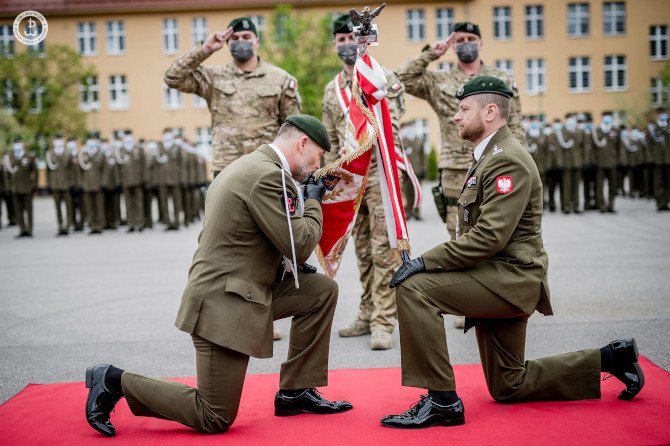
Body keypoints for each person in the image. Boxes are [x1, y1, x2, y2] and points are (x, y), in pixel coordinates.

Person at [379, 76, 645, 429]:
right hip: (495, 275)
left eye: (463, 109)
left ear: (490, 112)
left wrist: (426, 261)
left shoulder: (507, 161)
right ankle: (611, 358)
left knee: (414, 288)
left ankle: (441, 400)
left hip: (509, 278)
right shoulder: (490, 155)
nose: (456, 117)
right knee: (510, 385)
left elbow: (489, 237)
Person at [84, 115, 352, 437]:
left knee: (320, 290)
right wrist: (313, 201)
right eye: (319, 155)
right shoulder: (268, 177)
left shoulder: (250, 165)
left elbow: (247, 238)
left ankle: (296, 392)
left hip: (243, 288)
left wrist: (287, 261)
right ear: (302, 143)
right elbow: (301, 244)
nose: (317, 164)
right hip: (223, 303)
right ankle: (113, 379)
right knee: (214, 416)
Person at [165, 16, 300, 340]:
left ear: (257, 41)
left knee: (271, 243)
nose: (240, 41)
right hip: (226, 172)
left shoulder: (281, 79)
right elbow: (173, 77)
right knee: (219, 240)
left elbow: (293, 130)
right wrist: (205, 48)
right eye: (234, 36)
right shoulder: (213, 77)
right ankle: (211, 311)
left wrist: (294, 176)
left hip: (267, 173)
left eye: (245, 36)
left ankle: (265, 314)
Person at [398, 21, 524, 330]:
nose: (465, 44)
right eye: (460, 40)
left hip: (495, 162)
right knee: (460, 232)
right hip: (456, 167)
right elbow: (400, 80)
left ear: (481, 43)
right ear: (453, 45)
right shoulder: (439, 79)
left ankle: (493, 295)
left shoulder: (501, 77)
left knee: (495, 231)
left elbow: (516, 122)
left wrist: (518, 159)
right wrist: (431, 53)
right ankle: (470, 299)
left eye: (471, 39)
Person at [321, 14, 406, 350]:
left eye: (350, 38)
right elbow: (328, 137)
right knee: (362, 250)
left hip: (380, 173)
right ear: (334, 45)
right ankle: (368, 310)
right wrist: (329, 178)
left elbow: (393, 124)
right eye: (340, 39)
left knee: (385, 249)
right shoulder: (332, 90)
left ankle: (384, 321)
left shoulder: (380, 77)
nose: (346, 44)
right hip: (350, 178)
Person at [3, 136, 37, 237]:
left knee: (29, 210)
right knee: (18, 210)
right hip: (15, 188)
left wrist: (34, 184)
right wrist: (8, 187)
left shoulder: (29, 156)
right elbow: (6, 174)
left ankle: (29, 230)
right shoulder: (9, 157)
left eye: (19, 143)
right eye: (16, 143)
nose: (17, 145)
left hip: (27, 187)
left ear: (22, 144)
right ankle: (22, 230)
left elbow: (34, 171)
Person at [46, 133, 74, 236]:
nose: (58, 141)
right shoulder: (50, 153)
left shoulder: (67, 153)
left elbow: (72, 170)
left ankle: (68, 225)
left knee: (68, 206)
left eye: (60, 139)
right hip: (55, 184)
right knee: (57, 207)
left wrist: (72, 182)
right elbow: (48, 171)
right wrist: (49, 184)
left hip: (66, 184)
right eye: (56, 139)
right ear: (53, 141)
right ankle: (60, 225)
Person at [593, 111, 619, 213]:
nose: (607, 119)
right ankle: (602, 205)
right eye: (605, 117)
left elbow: (619, 146)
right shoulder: (597, 130)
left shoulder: (615, 130)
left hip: (612, 162)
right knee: (600, 186)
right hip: (600, 163)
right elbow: (594, 148)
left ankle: (611, 205)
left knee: (613, 185)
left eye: (609, 117)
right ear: (602, 118)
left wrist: (618, 160)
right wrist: (595, 161)